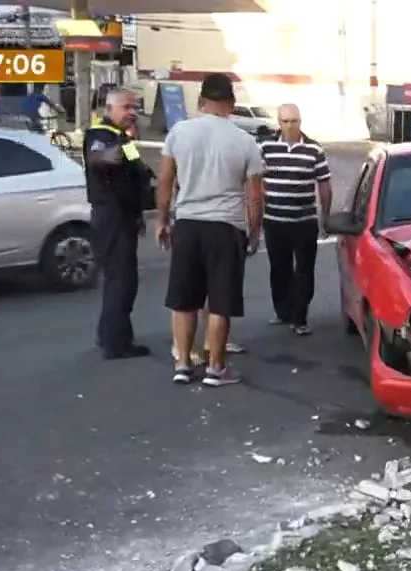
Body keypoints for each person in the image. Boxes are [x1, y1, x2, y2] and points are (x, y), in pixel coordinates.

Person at [155, 73, 265, 387]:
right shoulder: (245, 141)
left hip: (188, 225)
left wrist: (162, 220)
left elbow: (165, 181)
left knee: (184, 299)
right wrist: (254, 232)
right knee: (220, 302)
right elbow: (255, 196)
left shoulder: (179, 132)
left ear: (201, 101)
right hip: (226, 228)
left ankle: (183, 362)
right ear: (231, 104)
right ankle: (216, 368)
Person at [84, 88, 155, 359]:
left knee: (125, 279)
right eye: (126, 107)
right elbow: (98, 159)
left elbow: (136, 169)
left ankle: (111, 334)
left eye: (134, 107)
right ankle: (116, 343)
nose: (132, 112)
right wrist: (116, 149)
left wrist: (139, 210)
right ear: (109, 108)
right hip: (111, 215)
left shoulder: (121, 137)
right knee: (120, 280)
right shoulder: (101, 134)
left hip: (125, 214)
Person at [259, 103, 331, 336]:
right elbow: (257, 180)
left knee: (304, 270)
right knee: (279, 269)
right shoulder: (266, 147)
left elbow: (324, 185)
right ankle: (283, 312)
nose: (290, 126)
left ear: (301, 122)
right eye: (285, 121)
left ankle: (300, 318)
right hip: (274, 220)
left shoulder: (314, 150)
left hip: (304, 221)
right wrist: (257, 211)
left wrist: (325, 216)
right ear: (278, 123)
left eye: (294, 121)